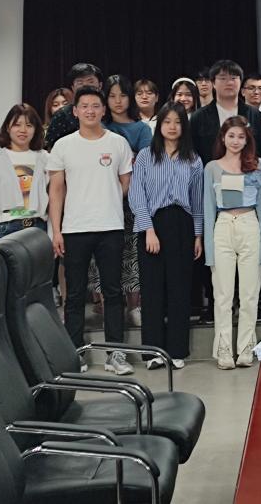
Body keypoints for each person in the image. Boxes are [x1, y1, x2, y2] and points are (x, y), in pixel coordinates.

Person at [48, 86, 134, 375]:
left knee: (113, 292)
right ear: (75, 111)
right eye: (84, 106)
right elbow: (56, 191)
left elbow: (125, 183)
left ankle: (116, 353)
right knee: (74, 295)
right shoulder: (63, 146)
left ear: (103, 110)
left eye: (95, 105)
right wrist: (56, 230)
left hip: (110, 226)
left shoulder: (118, 143)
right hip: (75, 229)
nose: (90, 111)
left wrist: (104, 199)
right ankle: (75, 353)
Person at [129, 102, 203, 370]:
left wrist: (198, 235)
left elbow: (197, 201)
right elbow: (136, 195)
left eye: (178, 122)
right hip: (152, 225)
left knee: (179, 289)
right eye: (167, 121)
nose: (172, 127)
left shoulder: (193, 160)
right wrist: (148, 229)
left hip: (182, 225)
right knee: (152, 291)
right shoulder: (146, 156)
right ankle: (153, 352)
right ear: (159, 124)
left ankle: (176, 350)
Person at [203, 116, 261, 369]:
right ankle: (223, 350)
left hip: (250, 224)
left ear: (247, 140)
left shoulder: (258, 165)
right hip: (222, 226)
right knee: (223, 294)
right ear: (223, 138)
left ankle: (246, 348)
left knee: (249, 294)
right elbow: (208, 209)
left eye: (241, 137)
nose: (235, 141)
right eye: (231, 135)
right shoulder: (211, 168)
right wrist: (209, 251)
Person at [102, 74, 152, 328]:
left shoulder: (141, 129)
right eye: (112, 96)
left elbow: (144, 164)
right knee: (105, 257)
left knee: (132, 253)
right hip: (102, 201)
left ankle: (135, 305)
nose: (118, 101)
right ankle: (107, 306)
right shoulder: (100, 127)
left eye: (122, 95)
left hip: (132, 200)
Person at [0, 103, 49, 244]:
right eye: (17, 125)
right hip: (5, 229)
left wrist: (51, 236)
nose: (23, 130)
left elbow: (53, 202)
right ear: (7, 127)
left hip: (38, 229)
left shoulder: (46, 159)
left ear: (36, 129)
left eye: (29, 125)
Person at [190, 60, 261, 175]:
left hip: (248, 180)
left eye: (233, 78)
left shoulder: (255, 115)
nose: (229, 83)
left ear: (240, 82)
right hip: (211, 179)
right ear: (213, 83)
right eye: (223, 78)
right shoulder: (199, 117)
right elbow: (193, 156)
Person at [44, 62, 104, 150]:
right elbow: (50, 147)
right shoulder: (62, 114)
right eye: (80, 82)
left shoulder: (109, 109)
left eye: (90, 81)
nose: (85, 86)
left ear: (100, 85)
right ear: (73, 88)